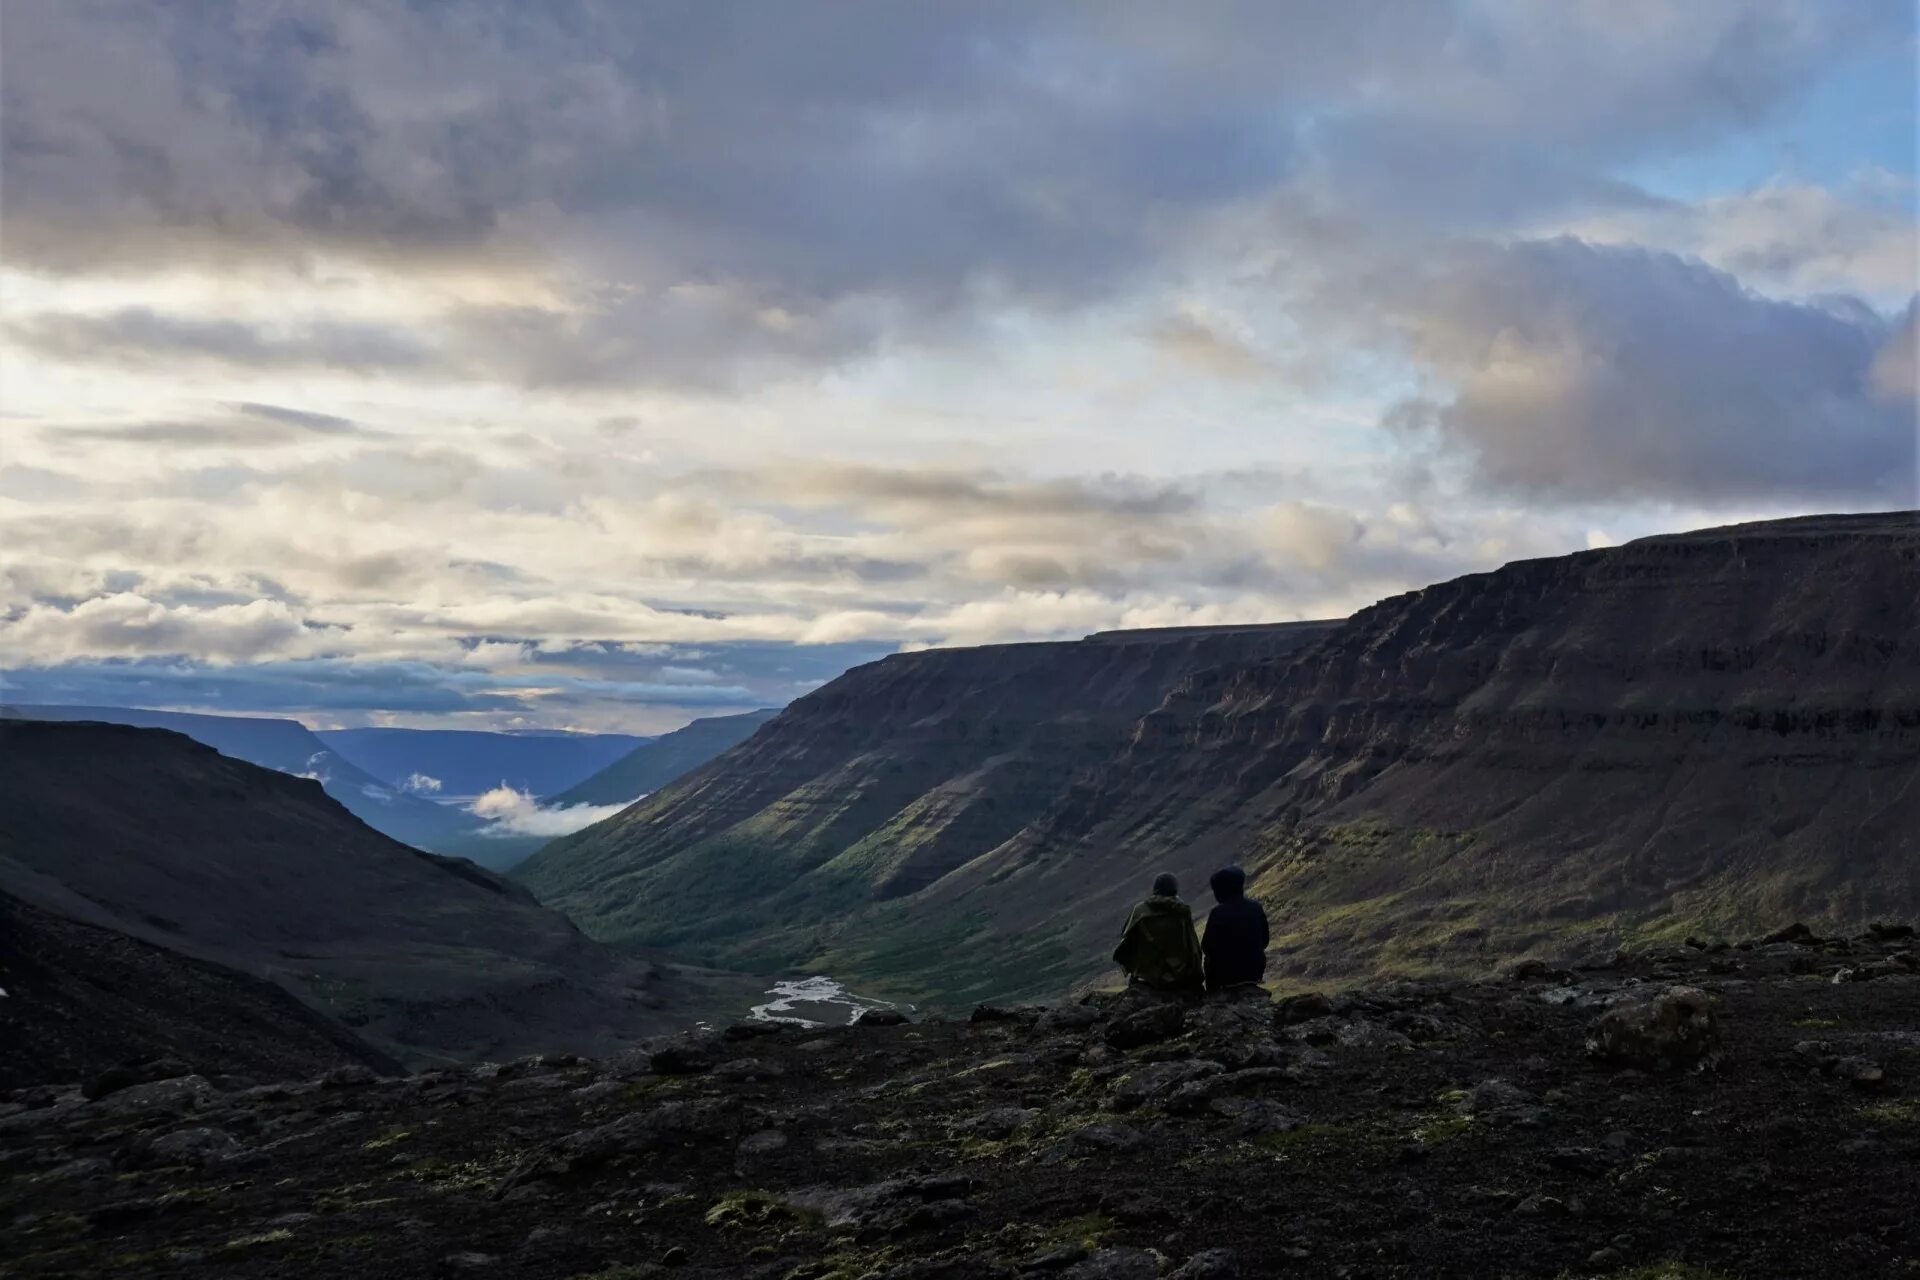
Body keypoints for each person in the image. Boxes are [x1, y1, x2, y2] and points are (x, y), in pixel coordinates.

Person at [1112, 873, 1204, 994]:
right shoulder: (1182, 912)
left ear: (1155, 889)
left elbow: (1126, 942)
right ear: (1174, 890)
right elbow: (1193, 947)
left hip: (1147, 978)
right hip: (1179, 978)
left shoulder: (1140, 910)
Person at [1201, 866, 1268, 994]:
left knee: (1208, 960)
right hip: (1254, 972)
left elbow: (1206, 946)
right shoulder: (1256, 908)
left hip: (1226, 976)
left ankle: (1213, 994)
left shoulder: (1217, 913)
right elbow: (1265, 941)